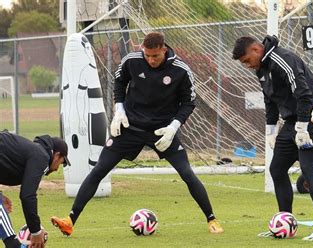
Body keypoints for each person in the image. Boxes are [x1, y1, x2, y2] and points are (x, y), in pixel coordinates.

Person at [50, 32, 224, 236]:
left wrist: (173, 127)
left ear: (163, 50)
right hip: (129, 128)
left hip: (162, 132)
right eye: (147, 55)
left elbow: (188, 103)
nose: (150, 60)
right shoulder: (132, 61)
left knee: (187, 173)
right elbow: (119, 83)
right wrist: (119, 110)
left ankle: (211, 219)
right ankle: (69, 220)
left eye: (155, 56)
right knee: (98, 170)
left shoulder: (181, 71)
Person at [232, 35, 313, 241]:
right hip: (290, 124)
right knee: (276, 169)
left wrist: (303, 128)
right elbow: (270, 100)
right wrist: (270, 130)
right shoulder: (261, 69)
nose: (247, 66)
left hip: (311, 119)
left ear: (256, 50)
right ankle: (285, 223)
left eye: (246, 61)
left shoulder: (283, 59)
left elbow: (304, 94)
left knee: (308, 169)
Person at [0, 131, 69, 248]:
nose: (57, 169)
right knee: (11, 242)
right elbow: (28, 196)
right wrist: (36, 231)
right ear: (57, 156)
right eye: (61, 163)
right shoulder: (41, 156)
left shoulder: (33, 152)